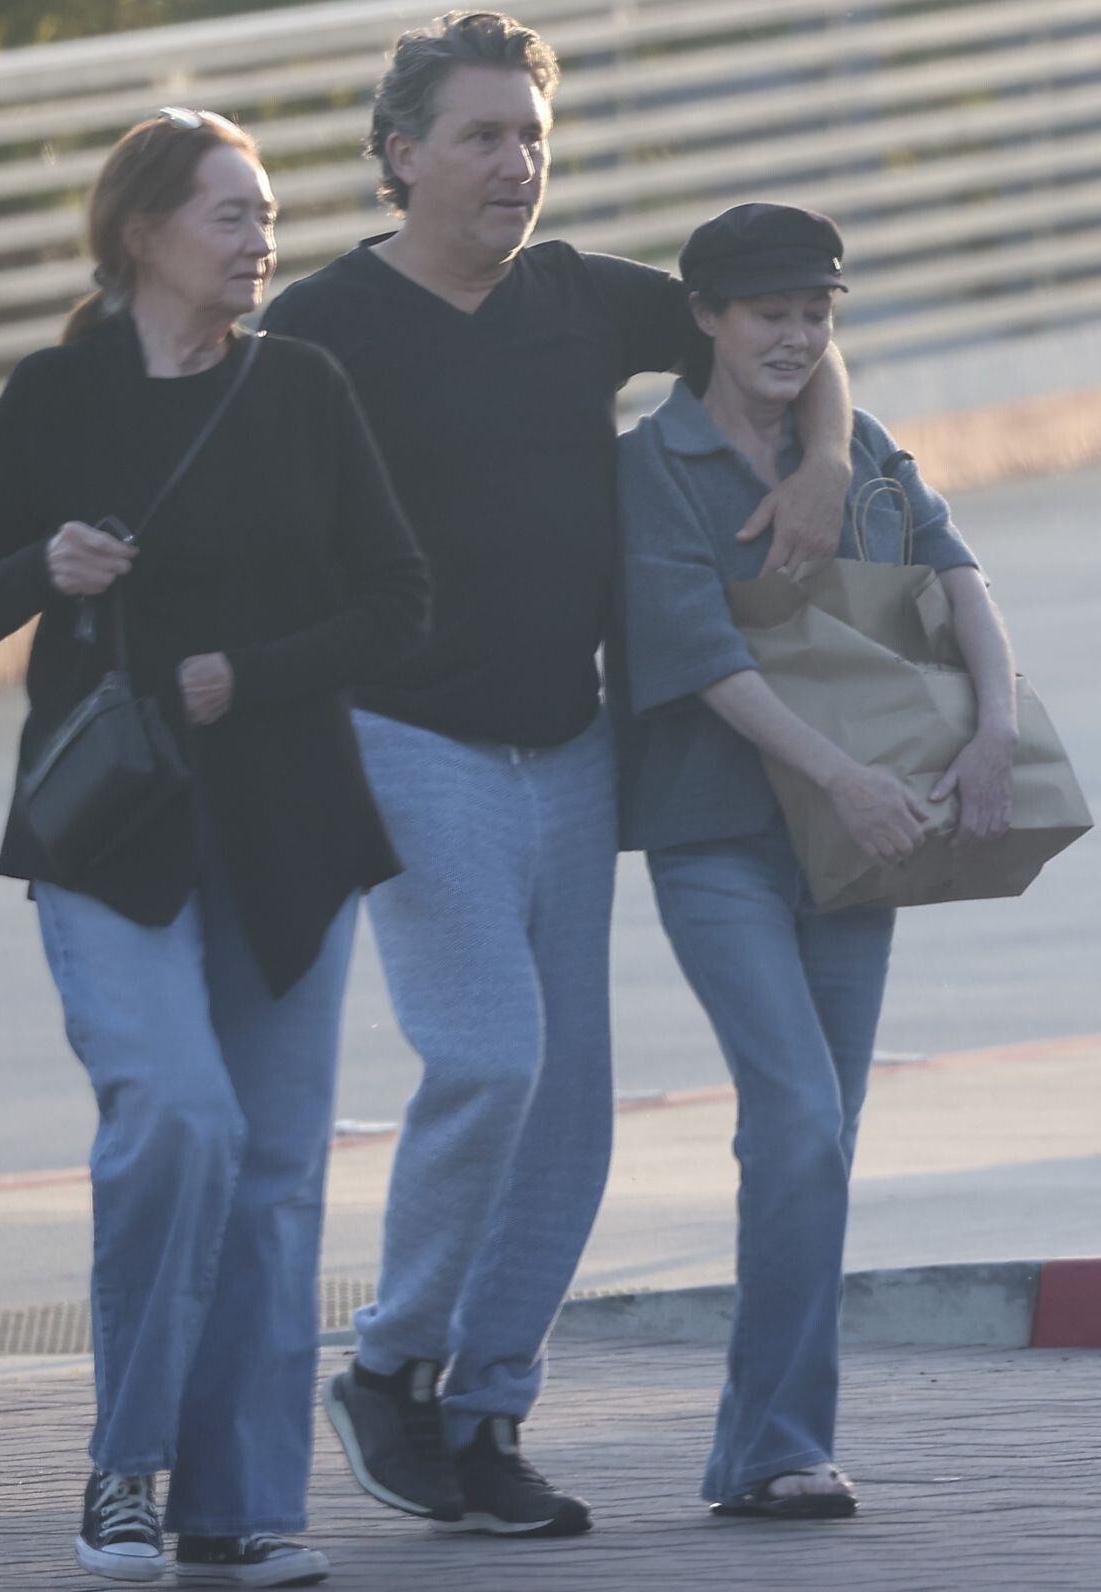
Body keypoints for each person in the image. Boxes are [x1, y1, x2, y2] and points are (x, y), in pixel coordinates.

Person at [260, 10, 857, 1538]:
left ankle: (487, 1412)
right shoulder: (321, 327)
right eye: (482, 136)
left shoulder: (585, 297)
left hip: (572, 747)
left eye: (531, 135)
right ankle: (389, 1363)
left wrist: (829, 458)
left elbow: (781, 324)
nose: (515, 164)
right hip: (407, 740)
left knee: (575, 1107)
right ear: (402, 155)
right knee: (491, 1061)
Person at [0, 109, 428, 1586]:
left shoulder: (303, 386)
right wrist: (44, 565)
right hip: (110, 832)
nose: (261, 239)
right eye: (230, 215)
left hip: (290, 832)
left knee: (272, 1176)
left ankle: (241, 1508)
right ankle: (122, 1473)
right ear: (143, 234)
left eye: (266, 213)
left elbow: (399, 602)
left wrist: (245, 676)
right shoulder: (55, 393)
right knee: (178, 1120)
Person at [612, 201, 1018, 1518]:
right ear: (706, 319)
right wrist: (845, 775)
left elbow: (959, 577)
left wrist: (996, 732)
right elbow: (701, 659)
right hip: (721, 840)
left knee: (819, 1141)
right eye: (768, 314)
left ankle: (760, 1451)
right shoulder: (652, 464)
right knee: (794, 1120)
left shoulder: (858, 447)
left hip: (857, 847)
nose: (794, 337)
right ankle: (784, 1445)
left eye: (814, 314)